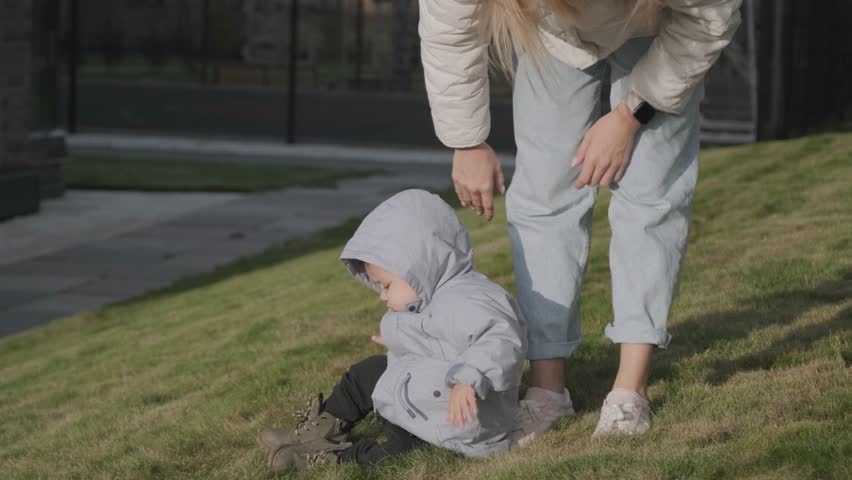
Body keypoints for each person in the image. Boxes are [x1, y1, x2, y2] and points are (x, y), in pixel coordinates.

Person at [418, 0, 742, 442]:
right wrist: (467, 141)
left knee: (651, 193)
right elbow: (448, 32)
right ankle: (547, 388)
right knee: (543, 196)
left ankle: (631, 388)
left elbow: (709, 17)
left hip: (661, 23)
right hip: (550, 37)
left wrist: (632, 114)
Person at [256, 189, 526, 473]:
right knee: (366, 373)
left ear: (419, 268)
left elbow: (501, 339)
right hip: (416, 393)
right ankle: (320, 428)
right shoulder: (426, 294)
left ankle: (332, 458)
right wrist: (398, 338)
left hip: (451, 421)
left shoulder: (472, 299)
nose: (382, 296)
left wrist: (468, 379)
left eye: (386, 285)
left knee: (398, 451)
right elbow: (434, 338)